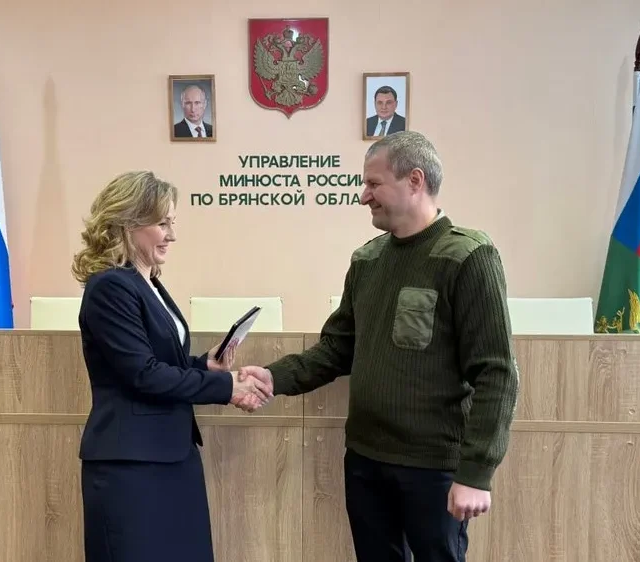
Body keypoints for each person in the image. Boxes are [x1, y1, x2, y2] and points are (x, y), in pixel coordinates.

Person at [237, 131, 519, 562]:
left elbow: (496, 372)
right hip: (365, 460)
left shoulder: (467, 256)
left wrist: (477, 472)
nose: (363, 196)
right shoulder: (367, 260)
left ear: (414, 180)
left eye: (373, 184)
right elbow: (337, 349)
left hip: (433, 468)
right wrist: (275, 377)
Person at [71, 170, 272, 562]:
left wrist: (205, 365)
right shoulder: (110, 286)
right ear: (129, 223)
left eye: (172, 223)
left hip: (171, 457)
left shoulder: (147, 283)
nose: (171, 235)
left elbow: (159, 362)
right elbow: (142, 374)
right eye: (162, 224)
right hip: (132, 466)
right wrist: (228, 388)